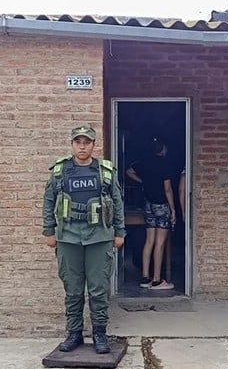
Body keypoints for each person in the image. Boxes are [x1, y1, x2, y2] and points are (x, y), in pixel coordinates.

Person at [42, 125, 126, 354]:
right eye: (78, 142)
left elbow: (117, 202)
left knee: (98, 289)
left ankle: (100, 333)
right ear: (72, 144)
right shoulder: (60, 171)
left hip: (99, 236)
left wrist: (120, 232)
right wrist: (48, 230)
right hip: (68, 237)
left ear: (93, 145)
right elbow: (49, 201)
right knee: (73, 289)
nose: (82, 147)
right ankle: (74, 333)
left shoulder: (105, 172)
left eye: (86, 142)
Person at [126, 138, 176, 290]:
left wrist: (143, 181)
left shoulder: (144, 162)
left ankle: (145, 277)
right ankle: (157, 280)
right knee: (160, 243)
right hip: (161, 205)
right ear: (163, 149)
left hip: (148, 205)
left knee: (149, 241)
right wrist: (173, 209)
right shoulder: (165, 164)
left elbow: (129, 171)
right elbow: (167, 189)